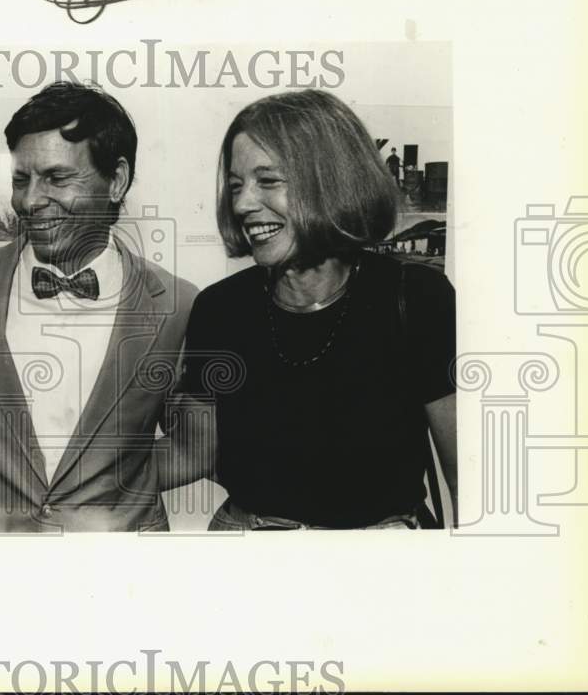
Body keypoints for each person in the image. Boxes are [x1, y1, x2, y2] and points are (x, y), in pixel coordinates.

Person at [166, 89, 457, 530]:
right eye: (236, 185)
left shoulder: (417, 297)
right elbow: (191, 455)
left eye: (268, 180)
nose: (243, 204)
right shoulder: (219, 309)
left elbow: (469, 476)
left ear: (332, 181)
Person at [0, 82, 197, 532]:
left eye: (57, 178)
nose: (29, 201)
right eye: (20, 180)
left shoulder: (179, 304)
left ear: (117, 180)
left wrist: (111, 495)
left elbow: (194, 448)